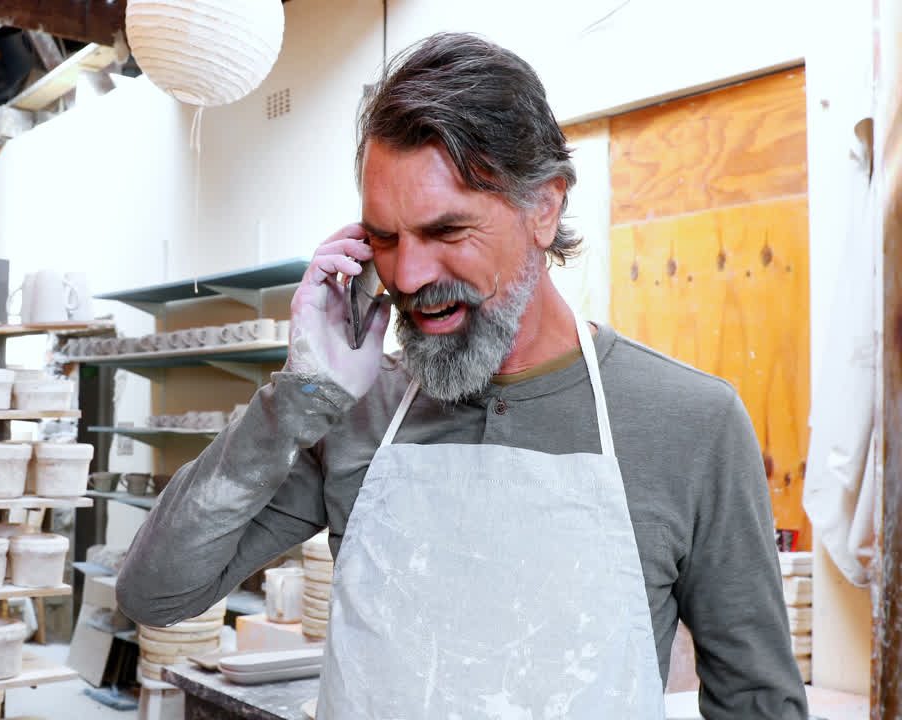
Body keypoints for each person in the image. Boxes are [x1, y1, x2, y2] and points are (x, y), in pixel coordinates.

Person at [117, 32, 808, 719]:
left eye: (446, 232)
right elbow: (156, 593)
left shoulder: (690, 424)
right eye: (384, 238)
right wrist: (297, 398)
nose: (410, 276)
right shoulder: (355, 412)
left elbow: (757, 702)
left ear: (544, 208)